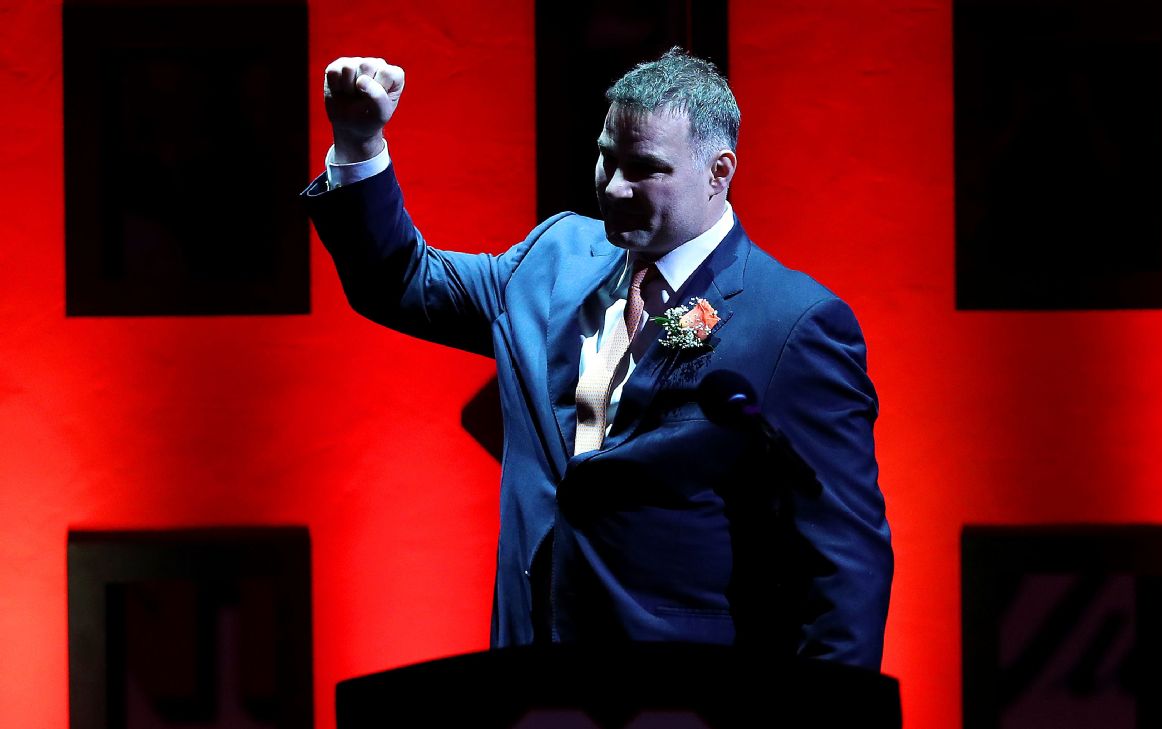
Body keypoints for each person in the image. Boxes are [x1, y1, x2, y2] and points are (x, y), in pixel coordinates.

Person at [302, 49, 892, 669]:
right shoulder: (554, 257)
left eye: (644, 169)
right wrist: (358, 142)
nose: (612, 186)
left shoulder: (793, 325)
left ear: (720, 172)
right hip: (531, 679)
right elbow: (402, 281)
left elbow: (844, 562)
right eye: (607, 156)